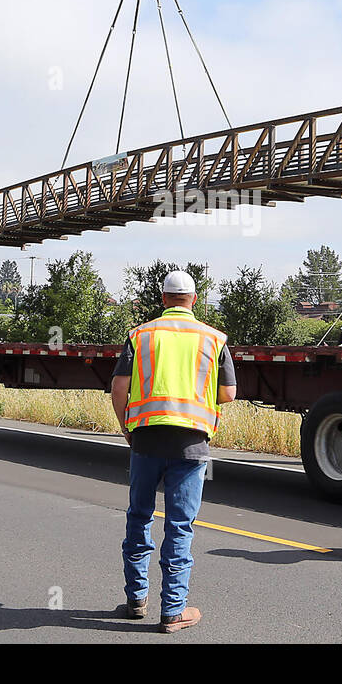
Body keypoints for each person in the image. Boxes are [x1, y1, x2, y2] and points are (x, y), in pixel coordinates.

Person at [110, 270, 237, 633]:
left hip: (146, 440)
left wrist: (126, 428)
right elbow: (228, 393)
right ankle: (173, 611)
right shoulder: (214, 338)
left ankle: (136, 600)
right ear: (194, 300)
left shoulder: (141, 335)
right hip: (192, 445)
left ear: (163, 298)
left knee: (139, 517)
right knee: (179, 527)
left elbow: (119, 387)